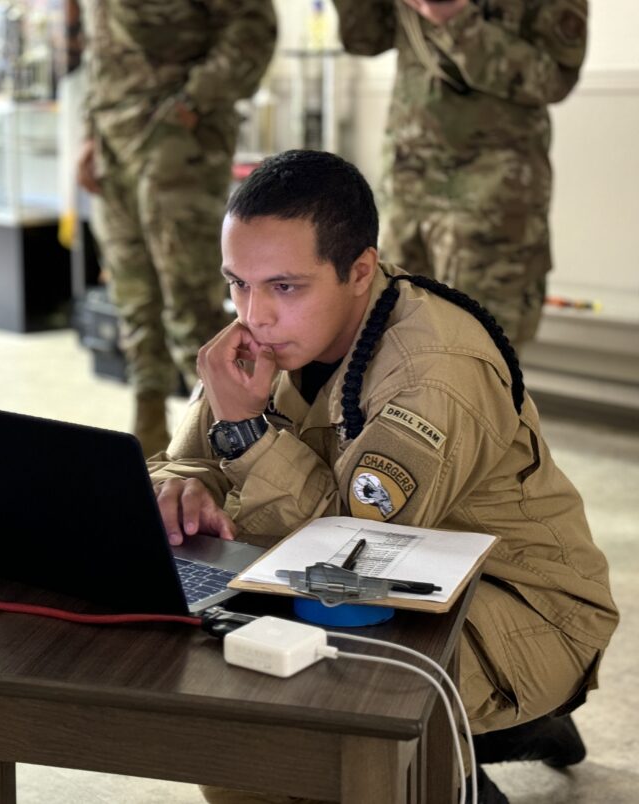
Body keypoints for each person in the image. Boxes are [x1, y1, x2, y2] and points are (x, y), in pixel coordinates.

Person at [148, 150, 617, 803]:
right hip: (408, 588)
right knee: (231, 716)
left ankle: (455, 754)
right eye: (237, 283)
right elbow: (185, 455)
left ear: (360, 270)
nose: (253, 315)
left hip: (517, 605)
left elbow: (352, 564)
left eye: (284, 286)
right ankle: (468, 739)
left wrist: (249, 434)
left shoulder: (433, 370)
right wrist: (180, 485)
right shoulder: (281, 328)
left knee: (296, 730)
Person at [76, 0, 277, 457]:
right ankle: (148, 429)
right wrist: (91, 131)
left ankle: (221, 443)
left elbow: (253, 27)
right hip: (115, 143)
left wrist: (193, 103)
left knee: (191, 298)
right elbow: (102, 48)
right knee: (133, 294)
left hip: (178, 143)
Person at [332, 0, 588, 349]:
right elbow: (365, 37)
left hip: (490, 198)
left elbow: (553, 78)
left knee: (481, 355)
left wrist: (454, 18)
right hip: (407, 192)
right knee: (389, 346)